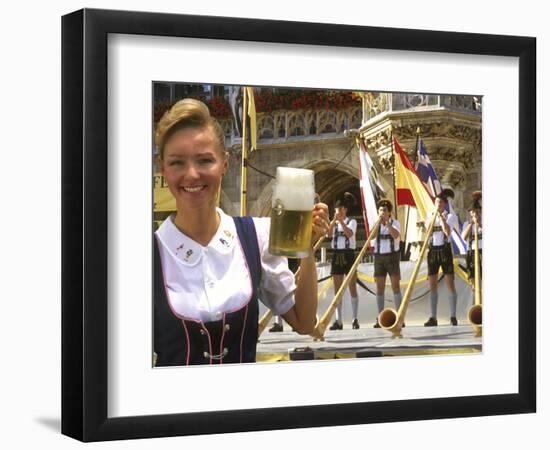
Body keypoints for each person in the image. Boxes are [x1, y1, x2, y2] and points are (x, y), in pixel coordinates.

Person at [153, 98, 329, 366]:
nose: (192, 174)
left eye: (204, 160)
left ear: (225, 163)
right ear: (162, 168)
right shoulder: (146, 255)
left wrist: (307, 248)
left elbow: (304, 322)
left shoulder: (254, 237)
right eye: (177, 162)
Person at [424, 189, 459, 327]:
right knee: (432, 284)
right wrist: (433, 218)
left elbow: (447, 231)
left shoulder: (450, 216)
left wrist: (441, 218)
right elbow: (427, 233)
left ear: (444, 204)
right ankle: (433, 317)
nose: (437, 205)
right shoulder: (429, 216)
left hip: (445, 249)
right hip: (433, 249)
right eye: (435, 202)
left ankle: (453, 316)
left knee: (450, 282)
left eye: (439, 202)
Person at [327, 192, 360, 330]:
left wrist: (340, 221)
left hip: (348, 255)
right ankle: (338, 320)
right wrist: (333, 221)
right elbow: (328, 235)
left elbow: (349, 233)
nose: (338, 211)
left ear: (345, 210)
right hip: (336, 255)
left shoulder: (351, 221)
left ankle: (354, 319)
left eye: (341, 209)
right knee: (337, 290)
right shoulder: (333, 223)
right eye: (337, 209)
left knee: (352, 287)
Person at [370, 199, 403, 328]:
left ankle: (399, 316)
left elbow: (396, 235)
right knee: (380, 288)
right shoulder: (376, 223)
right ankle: (380, 317)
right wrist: (378, 224)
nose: (382, 213)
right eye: (380, 210)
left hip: (392, 257)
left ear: (389, 212)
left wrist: (388, 224)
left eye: (384, 210)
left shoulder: (395, 223)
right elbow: (371, 237)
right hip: (379, 258)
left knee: (395, 286)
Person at [461, 191, 482, 292]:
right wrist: (471, 224)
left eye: (477, 212)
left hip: (483, 251)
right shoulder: (467, 224)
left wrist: (480, 224)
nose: (475, 214)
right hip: (472, 252)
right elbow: (464, 237)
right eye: (473, 212)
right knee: (473, 279)